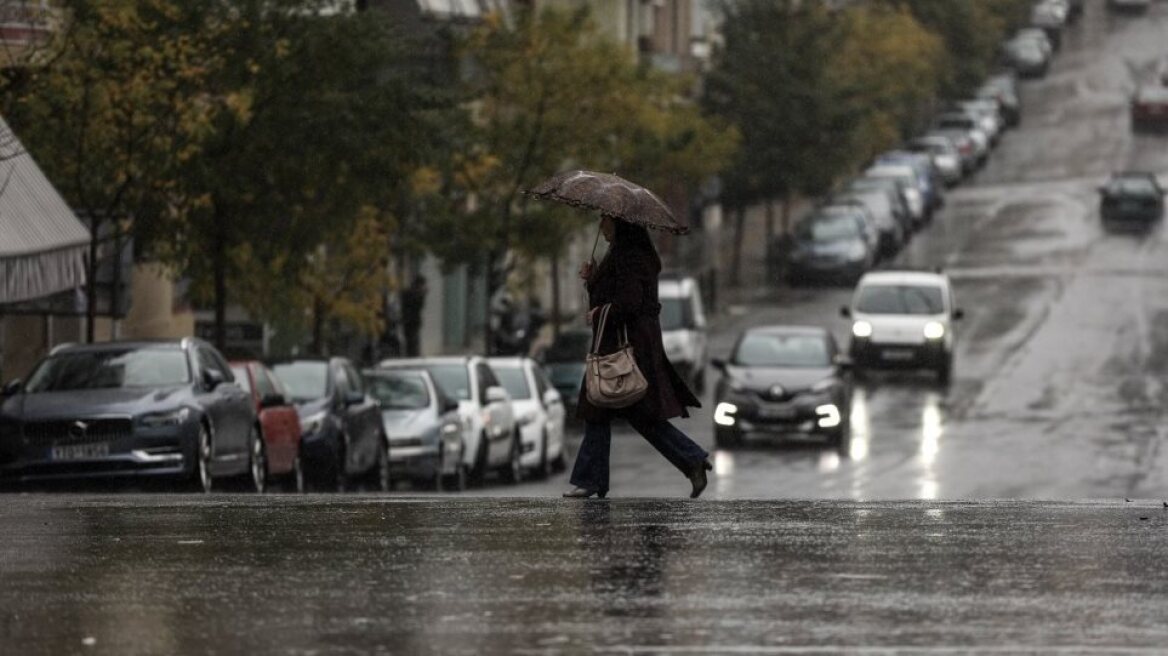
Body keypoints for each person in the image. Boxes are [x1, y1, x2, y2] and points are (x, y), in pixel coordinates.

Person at [565, 216, 712, 499]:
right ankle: (690, 459)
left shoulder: (629, 256)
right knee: (610, 411)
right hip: (626, 346)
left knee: (610, 409)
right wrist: (593, 278)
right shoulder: (625, 254)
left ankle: (592, 479)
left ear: (621, 225)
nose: (600, 226)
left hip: (626, 349)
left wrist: (598, 313)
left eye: (605, 221)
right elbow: (617, 295)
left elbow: (629, 303)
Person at [400, 276, 427, 357]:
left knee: (412, 341)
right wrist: (422, 295)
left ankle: (412, 354)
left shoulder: (409, 293)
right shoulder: (411, 294)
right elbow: (417, 306)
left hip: (410, 321)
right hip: (411, 321)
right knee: (412, 342)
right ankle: (412, 355)